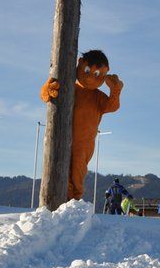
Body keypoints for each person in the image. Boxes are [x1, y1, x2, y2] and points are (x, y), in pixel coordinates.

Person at [40, 49, 124, 201]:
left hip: (84, 145)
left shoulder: (98, 97)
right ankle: (62, 197)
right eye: (87, 71)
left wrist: (115, 90)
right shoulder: (69, 88)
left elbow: (112, 106)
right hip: (61, 137)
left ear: (105, 73)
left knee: (78, 171)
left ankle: (75, 199)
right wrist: (48, 89)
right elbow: (46, 95)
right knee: (58, 165)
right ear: (79, 64)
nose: (91, 77)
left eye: (97, 74)